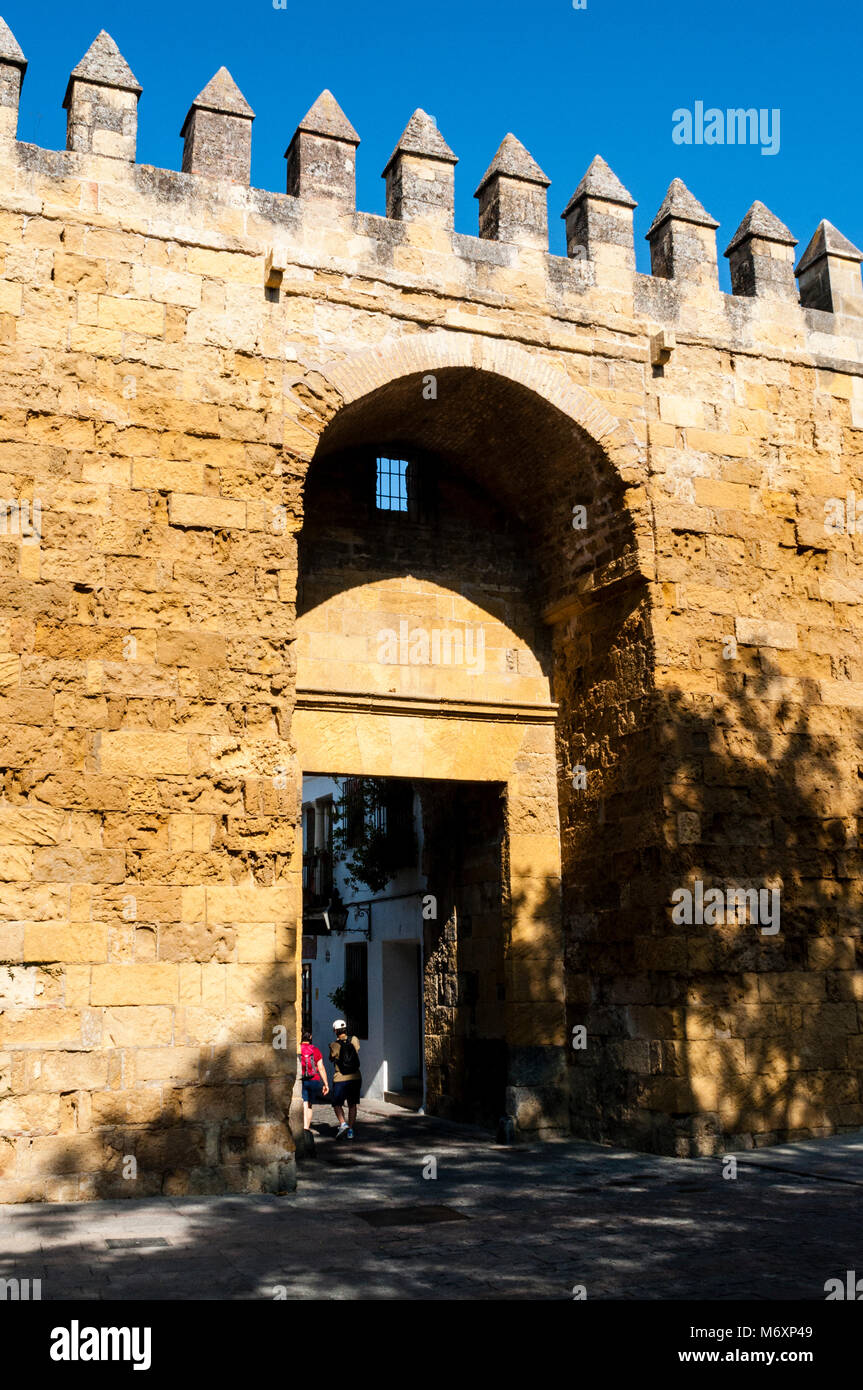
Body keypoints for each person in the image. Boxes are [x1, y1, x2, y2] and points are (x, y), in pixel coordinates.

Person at [329, 1019, 362, 1139]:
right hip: (355, 1077)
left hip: (340, 1078)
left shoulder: (334, 1045)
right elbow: (357, 1051)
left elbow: (331, 1058)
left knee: (336, 1103)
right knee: (352, 1104)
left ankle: (343, 1123)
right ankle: (350, 1130)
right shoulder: (354, 1040)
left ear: (335, 1031)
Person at [298, 1029, 329, 1132]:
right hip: (314, 1080)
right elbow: (321, 1067)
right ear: (310, 1037)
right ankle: (306, 1128)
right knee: (310, 1105)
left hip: (302, 1079)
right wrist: (326, 1084)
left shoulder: (298, 1050)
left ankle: (303, 1127)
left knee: (304, 1103)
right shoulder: (316, 1050)